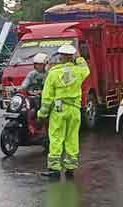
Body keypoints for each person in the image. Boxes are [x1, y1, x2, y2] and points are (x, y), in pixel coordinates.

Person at [37, 44, 90, 179]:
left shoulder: (53, 73)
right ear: (72, 57)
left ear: (60, 57)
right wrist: (79, 58)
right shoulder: (79, 71)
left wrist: (41, 115)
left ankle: (55, 169)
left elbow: (47, 98)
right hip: (74, 110)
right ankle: (70, 169)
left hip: (59, 110)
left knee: (56, 138)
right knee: (72, 138)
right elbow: (86, 69)